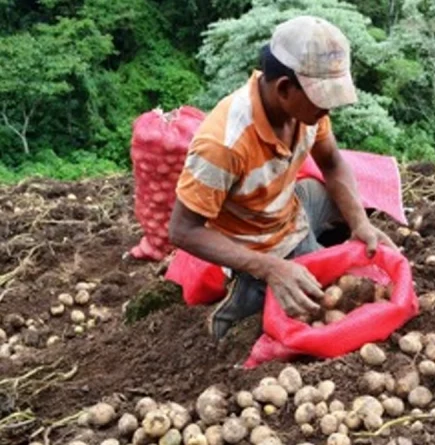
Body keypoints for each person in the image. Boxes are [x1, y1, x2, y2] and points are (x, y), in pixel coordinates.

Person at [168, 16, 396, 340]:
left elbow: (331, 162)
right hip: (257, 243)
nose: (327, 111)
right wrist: (269, 267)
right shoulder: (223, 144)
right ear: (285, 88)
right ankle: (245, 291)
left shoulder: (306, 113)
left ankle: (314, 246)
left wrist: (359, 222)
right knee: (321, 299)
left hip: (292, 204)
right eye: (322, 100)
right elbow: (182, 230)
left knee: (354, 203)